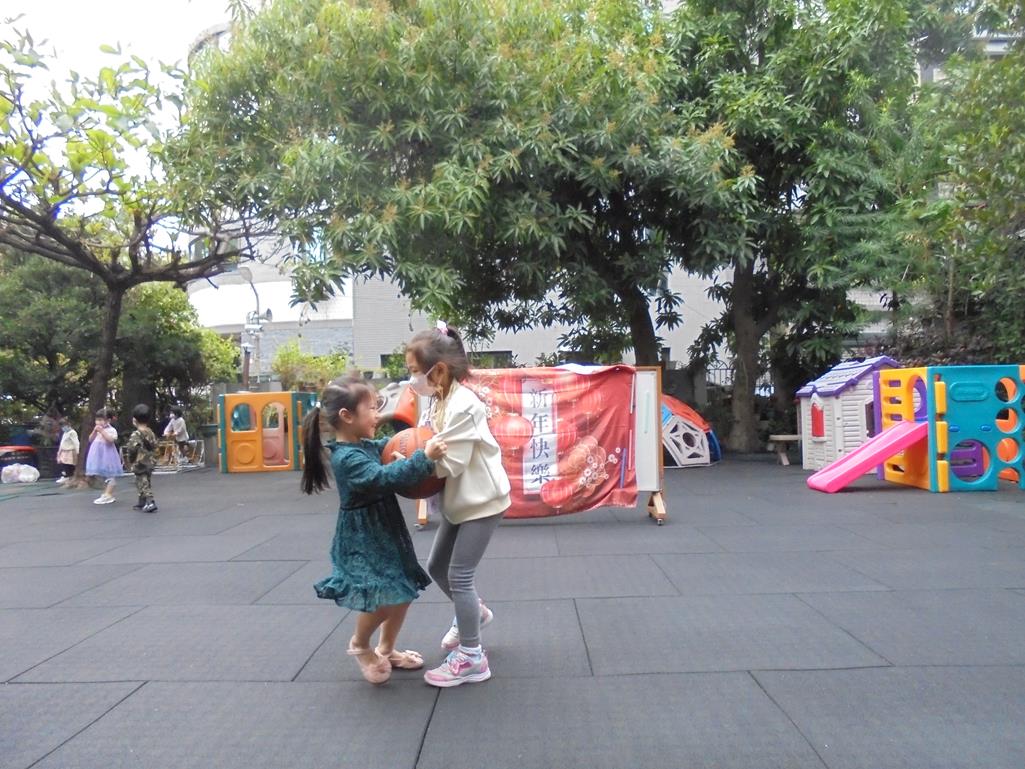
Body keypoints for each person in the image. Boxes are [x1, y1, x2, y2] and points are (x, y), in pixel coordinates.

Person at [301, 375, 447, 685]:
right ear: (347, 416)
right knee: (384, 598)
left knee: (403, 590)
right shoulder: (346, 458)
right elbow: (381, 478)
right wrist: (422, 457)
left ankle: (386, 648)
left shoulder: (363, 445)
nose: (377, 415)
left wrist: (406, 447)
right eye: (371, 408)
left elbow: (390, 448)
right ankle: (360, 644)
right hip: (363, 537)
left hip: (385, 530)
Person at [406, 322, 512, 688]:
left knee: (459, 576)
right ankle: (474, 615)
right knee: (437, 566)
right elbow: (426, 442)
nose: (412, 379)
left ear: (438, 371)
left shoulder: (464, 406)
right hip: (460, 499)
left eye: (415, 371)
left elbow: (451, 463)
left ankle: (472, 657)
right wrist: (417, 456)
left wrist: (414, 465)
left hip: (481, 501)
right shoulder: (438, 398)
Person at [124, 404, 159, 513]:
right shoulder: (150, 432)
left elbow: (132, 448)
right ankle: (142, 501)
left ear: (134, 420)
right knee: (146, 480)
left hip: (140, 461)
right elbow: (156, 445)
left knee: (142, 481)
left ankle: (150, 501)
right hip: (151, 460)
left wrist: (130, 459)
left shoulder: (136, 434)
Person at [85, 408, 121, 505]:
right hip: (98, 455)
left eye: (101, 420)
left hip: (108, 455)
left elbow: (111, 440)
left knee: (110, 474)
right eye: (97, 420)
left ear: (108, 420)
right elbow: (90, 439)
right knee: (103, 475)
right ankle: (106, 493)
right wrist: (94, 431)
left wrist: (102, 431)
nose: (98, 422)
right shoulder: (97, 430)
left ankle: (108, 494)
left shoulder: (111, 430)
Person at [55, 417, 80, 483]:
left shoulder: (72, 432)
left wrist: (77, 451)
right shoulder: (65, 433)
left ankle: (68, 476)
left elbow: (76, 442)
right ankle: (66, 476)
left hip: (70, 451)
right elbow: (62, 443)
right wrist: (59, 452)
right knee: (64, 463)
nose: (63, 428)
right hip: (64, 451)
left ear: (68, 425)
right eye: (62, 427)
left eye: (64, 426)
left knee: (69, 464)